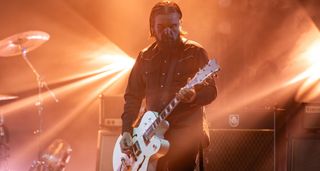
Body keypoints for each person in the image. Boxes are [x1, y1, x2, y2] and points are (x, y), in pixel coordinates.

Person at [120, 1, 217, 170]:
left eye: (173, 25)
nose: (168, 31)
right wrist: (127, 130)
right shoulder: (145, 57)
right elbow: (133, 96)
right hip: (150, 135)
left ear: (180, 23)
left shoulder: (195, 52)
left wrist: (194, 96)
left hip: (184, 134)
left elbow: (211, 91)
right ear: (152, 26)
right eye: (161, 26)